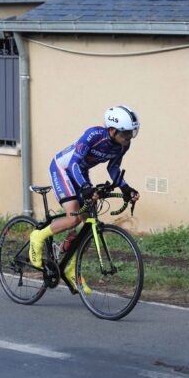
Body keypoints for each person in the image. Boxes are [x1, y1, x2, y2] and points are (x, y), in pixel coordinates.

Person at [29, 105, 141, 293]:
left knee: (89, 222)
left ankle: (71, 267)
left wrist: (126, 188)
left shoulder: (123, 145)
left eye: (132, 132)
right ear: (112, 130)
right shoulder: (93, 135)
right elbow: (73, 163)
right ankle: (37, 236)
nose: (129, 137)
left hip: (80, 171)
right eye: (126, 133)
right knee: (73, 218)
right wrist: (85, 188)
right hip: (63, 169)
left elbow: (113, 168)